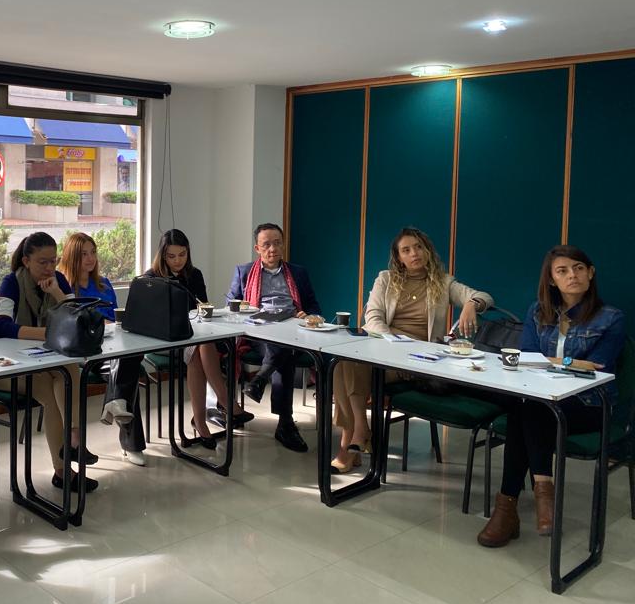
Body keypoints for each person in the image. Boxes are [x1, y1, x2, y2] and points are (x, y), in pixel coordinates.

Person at [478, 245, 624, 547]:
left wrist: (555, 362)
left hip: (589, 404)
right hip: (542, 399)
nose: (572, 275)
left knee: (527, 411)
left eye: (579, 268)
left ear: (591, 273)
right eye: (562, 271)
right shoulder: (537, 311)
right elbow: (528, 356)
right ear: (552, 280)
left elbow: (598, 367)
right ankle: (540, 494)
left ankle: (510, 508)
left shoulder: (611, 318)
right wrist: (570, 363)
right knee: (528, 409)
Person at [339, 227, 493, 472]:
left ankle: (351, 443)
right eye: (406, 250)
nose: (414, 253)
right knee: (341, 362)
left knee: (347, 368)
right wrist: (391, 346)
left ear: (428, 250)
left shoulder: (444, 282)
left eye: (419, 247)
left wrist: (471, 304)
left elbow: (483, 296)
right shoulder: (385, 279)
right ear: (399, 257)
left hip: (417, 360)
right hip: (384, 347)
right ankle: (359, 430)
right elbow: (373, 316)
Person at [0, 232, 99, 492]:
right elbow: (0, 326)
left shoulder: (58, 280)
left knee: (68, 371)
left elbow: (79, 318)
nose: (50, 267)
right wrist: (45, 333)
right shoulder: (11, 282)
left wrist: (58, 293)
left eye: (53, 261)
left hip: (43, 360)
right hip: (7, 365)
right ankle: (65, 464)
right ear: (26, 261)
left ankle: (71, 445)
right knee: (54, 391)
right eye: (43, 262)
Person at [147, 229, 248, 450]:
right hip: (163, 340)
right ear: (162, 255)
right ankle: (225, 402)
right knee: (199, 346)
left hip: (192, 336)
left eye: (182, 255)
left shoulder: (194, 275)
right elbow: (151, 318)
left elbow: (202, 307)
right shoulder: (151, 278)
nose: (177, 261)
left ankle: (201, 422)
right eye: (171, 256)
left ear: (188, 252)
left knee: (199, 347)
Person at [229, 223, 321, 452]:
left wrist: (308, 315)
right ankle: (285, 423)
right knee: (282, 350)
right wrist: (245, 310)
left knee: (283, 346)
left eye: (277, 243)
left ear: (283, 244)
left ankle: (260, 380)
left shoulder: (298, 273)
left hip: (293, 330)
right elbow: (230, 306)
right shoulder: (243, 272)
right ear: (257, 248)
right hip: (258, 333)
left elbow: (313, 306)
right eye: (267, 244)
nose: (273, 249)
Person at [58, 233, 147, 466]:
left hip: (112, 347)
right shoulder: (65, 287)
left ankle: (116, 402)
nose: (90, 258)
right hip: (85, 352)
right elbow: (70, 324)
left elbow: (116, 319)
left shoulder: (104, 284)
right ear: (72, 257)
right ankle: (131, 443)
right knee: (128, 371)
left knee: (128, 360)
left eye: (93, 252)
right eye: (84, 254)